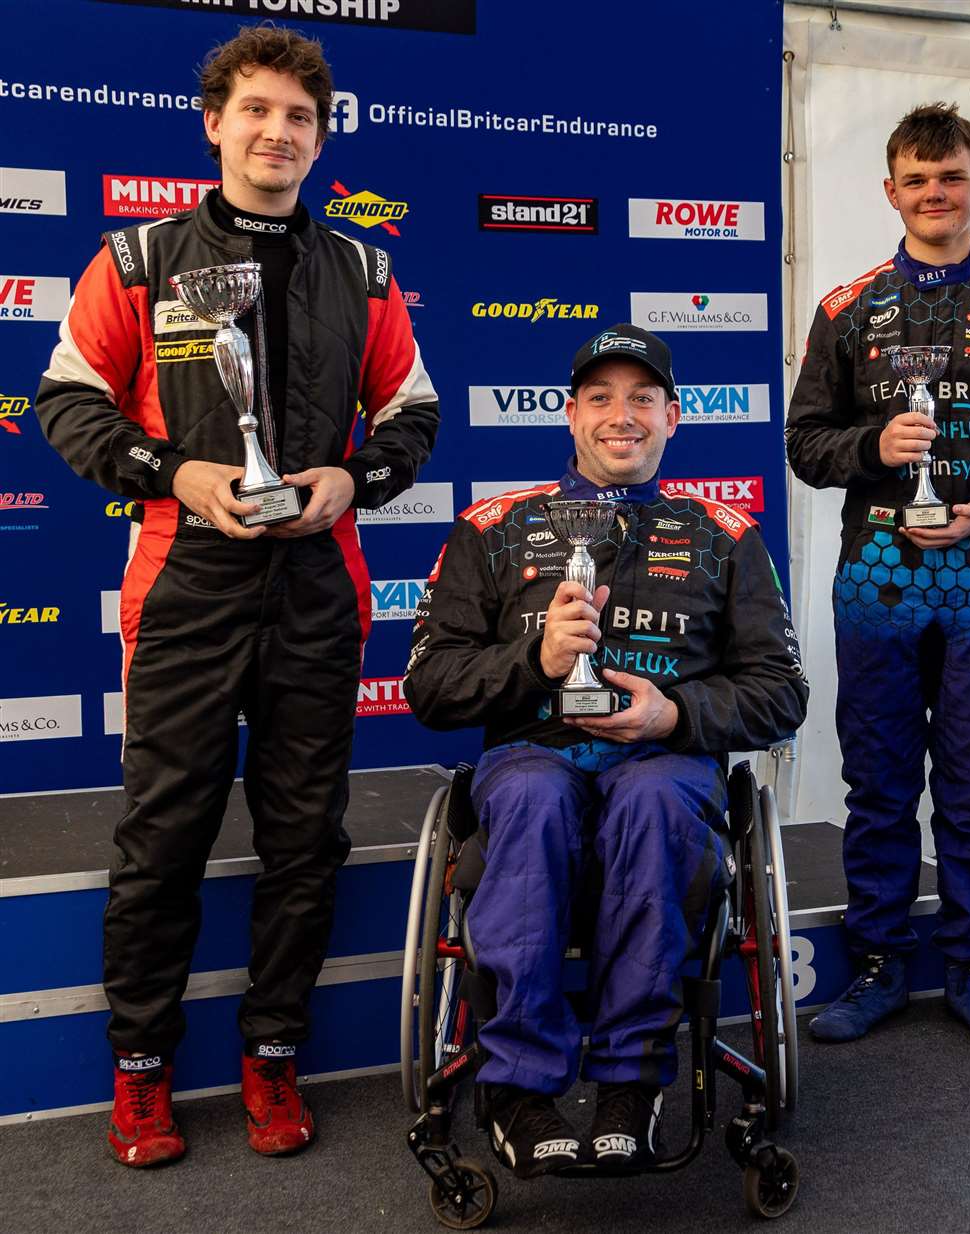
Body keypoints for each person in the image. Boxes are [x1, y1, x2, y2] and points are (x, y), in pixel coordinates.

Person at [35, 26, 438, 1165]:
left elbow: (412, 412)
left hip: (319, 584)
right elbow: (66, 403)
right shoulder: (136, 259)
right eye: (256, 111)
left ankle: (273, 1057)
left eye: (300, 117)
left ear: (322, 135)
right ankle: (142, 1072)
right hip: (184, 586)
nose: (278, 132)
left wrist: (352, 478)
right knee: (161, 838)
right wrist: (176, 473)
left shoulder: (363, 268)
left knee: (305, 839)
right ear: (214, 123)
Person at [404, 324, 807, 1178]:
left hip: (667, 767)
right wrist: (535, 662)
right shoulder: (494, 528)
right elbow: (431, 688)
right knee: (532, 799)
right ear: (569, 415)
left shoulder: (726, 536)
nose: (621, 416)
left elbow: (783, 694)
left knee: (655, 800)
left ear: (673, 418)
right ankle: (517, 1086)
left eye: (642, 399)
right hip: (533, 759)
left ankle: (631, 1080)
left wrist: (674, 713)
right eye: (600, 398)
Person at [786, 102, 970, 1049]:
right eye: (916, 179)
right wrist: (874, 445)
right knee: (876, 784)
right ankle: (876, 965)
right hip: (876, 583)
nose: (934, 193)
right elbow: (805, 444)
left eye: (950, 176)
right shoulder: (844, 310)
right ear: (890, 192)